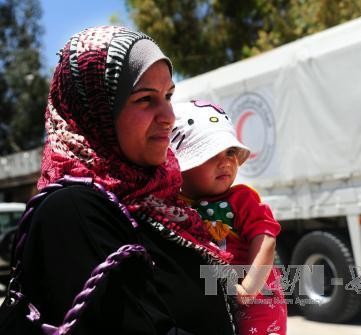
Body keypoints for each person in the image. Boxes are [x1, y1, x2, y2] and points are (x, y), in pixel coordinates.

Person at [17, 26, 236, 335]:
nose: (169, 116)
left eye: (169, 96)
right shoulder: (73, 211)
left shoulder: (164, 202)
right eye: (146, 99)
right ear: (96, 110)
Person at [170, 100, 287, 335]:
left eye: (230, 152)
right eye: (211, 154)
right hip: (217, 299)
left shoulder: (242, 199)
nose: (225, 162)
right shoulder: (172, 206)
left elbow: (266, 239)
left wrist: (249, 288)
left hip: (257, 301)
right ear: (182, 165)